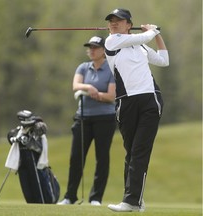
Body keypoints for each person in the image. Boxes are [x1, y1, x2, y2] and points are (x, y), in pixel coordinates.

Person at [104, 8, 169, 212]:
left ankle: (131, 201)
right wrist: (152, 31)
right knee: (131, 153)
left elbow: (163, 61)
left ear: (129, 24)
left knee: (139, 152)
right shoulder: (111, 42)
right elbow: (144, 36)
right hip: (126, 103)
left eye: (119, 20)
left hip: (150, 99)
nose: (114, 23)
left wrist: (157, 36)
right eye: (111, 21)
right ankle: (134, 200)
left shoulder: (139, 45)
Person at [57, 36, 116, 206]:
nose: (92, 50)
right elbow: (76, 86)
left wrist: (98, 95)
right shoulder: (83, 67)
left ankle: (96, 198)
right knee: (76, 158)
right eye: (90, 47)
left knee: (102, 158)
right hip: (83, 118)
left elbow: (111, 96)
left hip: (105, 119)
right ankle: (70, 196)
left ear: (104, 51)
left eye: (95, 47)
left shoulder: (111, 69)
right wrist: (89, 88)